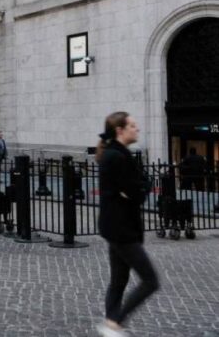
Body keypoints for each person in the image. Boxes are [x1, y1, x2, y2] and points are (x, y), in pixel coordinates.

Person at [96, 112, 159, 337]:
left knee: (119, 280)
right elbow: (136, 193)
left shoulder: (118, 155)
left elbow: (133, 190)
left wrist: (137, 188)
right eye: (132, 125)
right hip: (121, 229)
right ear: (120, 130)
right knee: (150, 281)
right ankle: (114, 323)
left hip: (118, 227)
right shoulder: (116, 157)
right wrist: (140, 188)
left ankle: (111, 324)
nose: (137, 128)